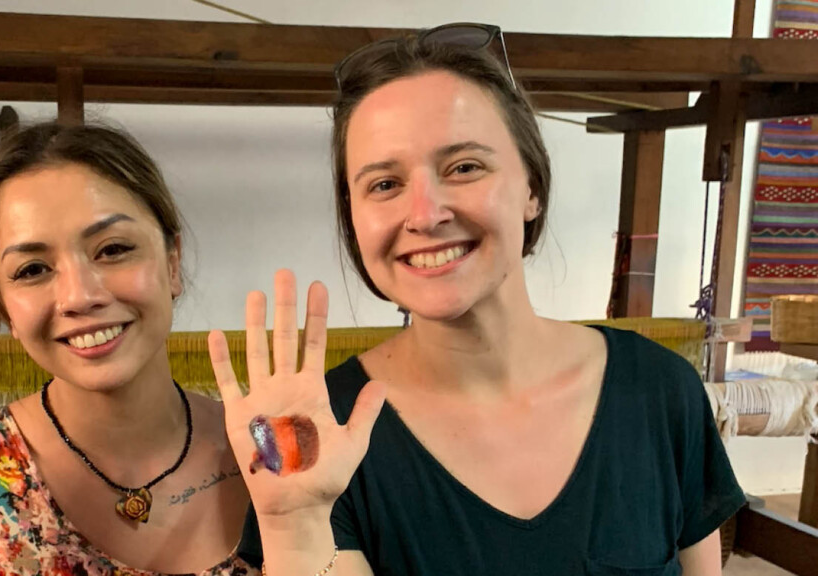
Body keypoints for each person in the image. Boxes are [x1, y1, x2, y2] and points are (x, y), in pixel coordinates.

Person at [211, 23, 745, 576]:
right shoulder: (325, 434)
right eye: (384, 185)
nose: (424, 214)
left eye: (464, 167)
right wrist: (294, 529)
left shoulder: (659, 391)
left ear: (531, 187)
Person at [0, 122, 254, 576]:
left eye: (113, 249)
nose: (79, 296)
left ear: (173, 263)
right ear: (4, 308)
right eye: (33, 269)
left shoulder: (268, 454)